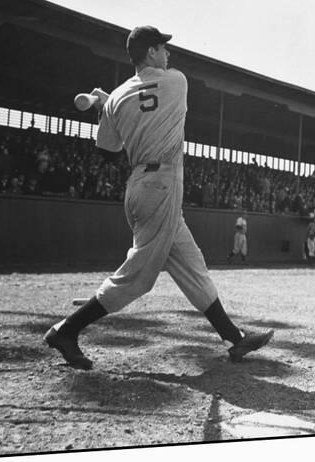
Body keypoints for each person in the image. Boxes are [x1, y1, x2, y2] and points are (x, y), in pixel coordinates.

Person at [44, 25, 273, 369]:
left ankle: (235, 339)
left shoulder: (118, 98)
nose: (168, 54)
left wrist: (107, 105)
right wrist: (113, 104)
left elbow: (110, 148)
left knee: (191, 265)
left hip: (140, 185)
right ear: (150, 52)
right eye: (163, 48)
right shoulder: (176, 81)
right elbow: (152, 104)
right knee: (137, 276)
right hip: (161, 186)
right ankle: (66, 330)